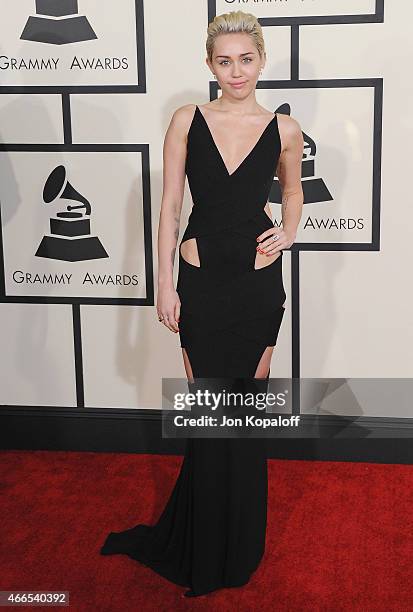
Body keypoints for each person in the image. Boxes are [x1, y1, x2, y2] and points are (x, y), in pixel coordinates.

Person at [100, 10, 304, 598]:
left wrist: (288, 232)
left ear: (262, 60)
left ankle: (239, 544)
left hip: (259, 286)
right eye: (224, 60)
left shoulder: (285, 128)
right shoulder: (187, 119)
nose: (236, 70)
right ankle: (203, 541)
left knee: (245, 415)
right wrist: (163, 282)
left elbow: (291, 193)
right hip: (201, 282)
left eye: (246, 58)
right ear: (209, 64)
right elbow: (167, 206)